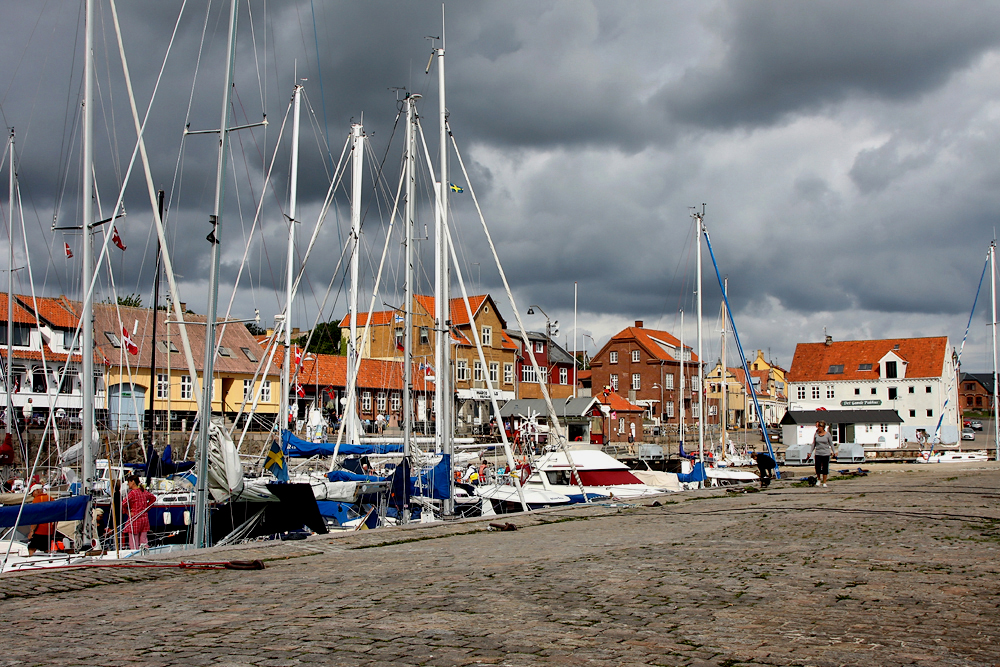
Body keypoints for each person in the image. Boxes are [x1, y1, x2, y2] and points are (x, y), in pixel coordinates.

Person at [123, 475, 156, 550]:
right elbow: (153, 498)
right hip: (144, 518)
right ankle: (145, 554)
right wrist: (146, 508)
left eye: (128, 482)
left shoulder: (132, 493)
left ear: (133, 482)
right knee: (143, 541)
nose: (128, 484)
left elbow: (123, 504)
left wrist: (128, 512)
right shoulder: (143, 491)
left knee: (133, 541)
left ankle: (135, 553)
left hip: (135, 518)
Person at [26, 484, 55, 555]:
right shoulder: (50, 498)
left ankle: (31, 561)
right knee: (46, 548)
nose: (32, 495)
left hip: (39, 530)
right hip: (49, 530)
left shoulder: (36, 500)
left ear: (37, 491)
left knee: (31, 547)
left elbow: (35, 518)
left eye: (33, 492)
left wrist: (32, 531)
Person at [808, 421, 836, 488]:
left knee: (825, 468)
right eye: (818, 427)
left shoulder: (827, 434)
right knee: (817, 467)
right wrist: (810, 452)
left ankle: (824, 482)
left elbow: (831, 444)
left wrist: (834, 452)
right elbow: (813, 444)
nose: (819, 428)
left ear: (823, 427)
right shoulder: (816, 434)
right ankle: (819, 479)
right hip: (818, 453)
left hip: (826, 453)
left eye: (820, 427)